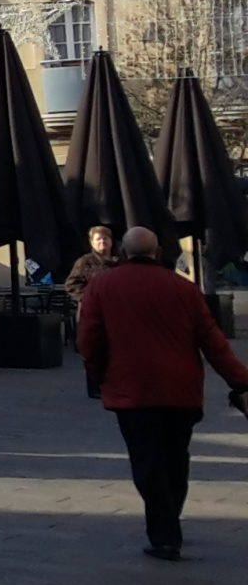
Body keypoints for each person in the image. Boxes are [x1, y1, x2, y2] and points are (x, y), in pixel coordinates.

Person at [77, 227, 248, 560]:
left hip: (132, 391)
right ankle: (171, 515)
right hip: (181, 390)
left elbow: (89, 341)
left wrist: (99, 376)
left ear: (123, 253)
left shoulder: (102, 287)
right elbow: (214, 343)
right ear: (157, 253)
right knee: (175, 457)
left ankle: (165, 533)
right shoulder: (184, 289)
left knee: (147, 461)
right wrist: (240, 381)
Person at [65, 225, 119, 308]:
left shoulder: (121, 261)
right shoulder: (85, 261)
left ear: (111, 241)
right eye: (98, 239)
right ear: (92, 242)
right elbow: (71, 285)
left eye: (105, 238)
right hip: (94, 308)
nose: (102, 241)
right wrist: (89, 298)